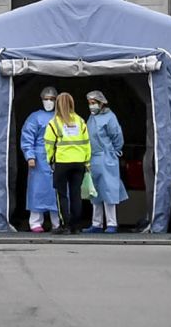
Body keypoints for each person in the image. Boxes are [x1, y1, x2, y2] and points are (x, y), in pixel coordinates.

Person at [43, 92, 90, 235]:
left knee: (62, 194)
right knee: (76, 194)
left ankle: (65, 226)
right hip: (79, 163)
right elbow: (87, 143)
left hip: (62, 162)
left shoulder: (54, 122)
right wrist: (87, 161)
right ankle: (76, 226)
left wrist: (50, 160)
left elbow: (49, 144)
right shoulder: (80, 121)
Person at [84, 90, 128, 234]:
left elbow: (117, 137)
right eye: (89, 103)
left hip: (106, 157)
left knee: (109, 190)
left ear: (102, 103)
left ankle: (112, 223)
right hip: (93, 158)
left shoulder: (110, 118)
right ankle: (96, 224)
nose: (91, 106)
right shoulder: (91, 118)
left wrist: (114, 152)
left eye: (94, 103)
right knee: (94, 191)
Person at [19, 86, 61, 232]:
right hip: (39, 158)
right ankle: (35, 222)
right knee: (38, 190)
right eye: (46, 99)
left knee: (58, 190)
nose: (49, 102)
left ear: (57, 100)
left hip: (59, 157)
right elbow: (27, 137)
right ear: (41, 100)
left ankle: (58, 222)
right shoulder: (35, 117)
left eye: (52, 99)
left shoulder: (61, 116)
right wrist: (30, 156)